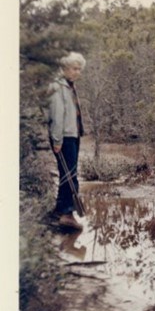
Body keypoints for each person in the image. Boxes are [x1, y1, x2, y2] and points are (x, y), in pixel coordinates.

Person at [47, 52, 86, 230]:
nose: (78, 72)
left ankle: (59, 209)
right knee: (70, 177)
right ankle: (67, 214)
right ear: (64, 69)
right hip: (64, 137)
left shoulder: (69, 86)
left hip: (72, 135)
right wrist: (57, 140)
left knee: (67, 174)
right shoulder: (57, 87)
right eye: (75, 69)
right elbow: (56, 116)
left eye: (80, 69)